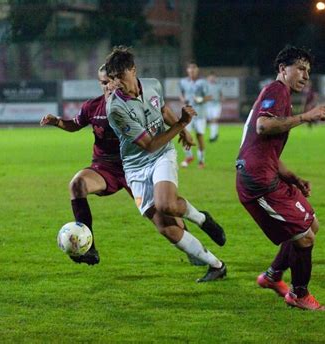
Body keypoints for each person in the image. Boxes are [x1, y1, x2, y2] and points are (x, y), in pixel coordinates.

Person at [40, 64, 206, 267]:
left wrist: (181, 130)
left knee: (165, 219)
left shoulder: (134, 104)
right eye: (103, 82)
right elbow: (76, 123)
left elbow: (161, 111)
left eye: (111, 81)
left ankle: (195, 251)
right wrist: (58, 122)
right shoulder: (93, 107)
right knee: (77, 185)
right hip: (106, 168)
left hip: (138, 167)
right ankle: (88, 246)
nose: (108, 86)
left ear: (119, 79)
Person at [105, 46, 227, 282]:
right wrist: (181, 125)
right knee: (166, 227)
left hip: (162, 155)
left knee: (167, 204)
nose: (117, 82)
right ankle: (216, 265)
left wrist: (180, 129)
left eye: (121, 75)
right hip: (135, 166)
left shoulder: (152, 84)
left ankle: (202, 219)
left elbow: (161, 109)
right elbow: (148, 144)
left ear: (133, 70)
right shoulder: (116, 108)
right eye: (113, 78)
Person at [235, 46, 325, 310]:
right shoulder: (276, 91)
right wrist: (305, 116)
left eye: (308, 71)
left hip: (269, 175)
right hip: (258, 183)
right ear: (282, 69)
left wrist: (293, 177)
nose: (305, 75)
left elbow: (266, 151)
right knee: (305, 238)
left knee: (313, 226)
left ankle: (272, 276)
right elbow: (262, 126)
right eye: (300, 68)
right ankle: (299, 295)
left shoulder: (281, 95)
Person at [178, 61, 210, 168]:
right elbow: (181, 94)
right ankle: (189, 156)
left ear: (197, 70)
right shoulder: (183, 82)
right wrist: (183, 100)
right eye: (190, 68)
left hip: (199, 114)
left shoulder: (203, 82)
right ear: (187, 70)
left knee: (199, 135)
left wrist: (201, 99)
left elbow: (209, 96)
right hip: (187, 114)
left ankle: (201, 161)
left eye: (194, 68)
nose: (192, 70)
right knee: (184, 134)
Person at [206, 71, 223, 142]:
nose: (212, 79)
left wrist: (221, 99)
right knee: (211, 121)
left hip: (216, 105)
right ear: (208, 78)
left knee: (214, 119)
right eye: (211, 77)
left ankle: (212, 136)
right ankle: (215, 134)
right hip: (208, 105)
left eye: (213, 77)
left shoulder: (218, 86)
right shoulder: (205, 86)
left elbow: (221, 95)